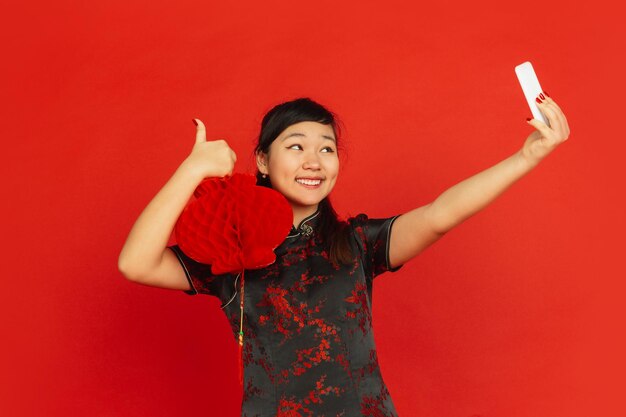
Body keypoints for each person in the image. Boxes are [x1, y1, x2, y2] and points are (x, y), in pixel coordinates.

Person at [118, 96, 570, 416]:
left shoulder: (355, 243)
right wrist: (192, 169)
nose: (314, 160)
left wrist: (525, 158)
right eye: (296, 146)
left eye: (327, 149)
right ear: (261, 160)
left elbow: (439, 215)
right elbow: (134, 263)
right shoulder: (227, 252)